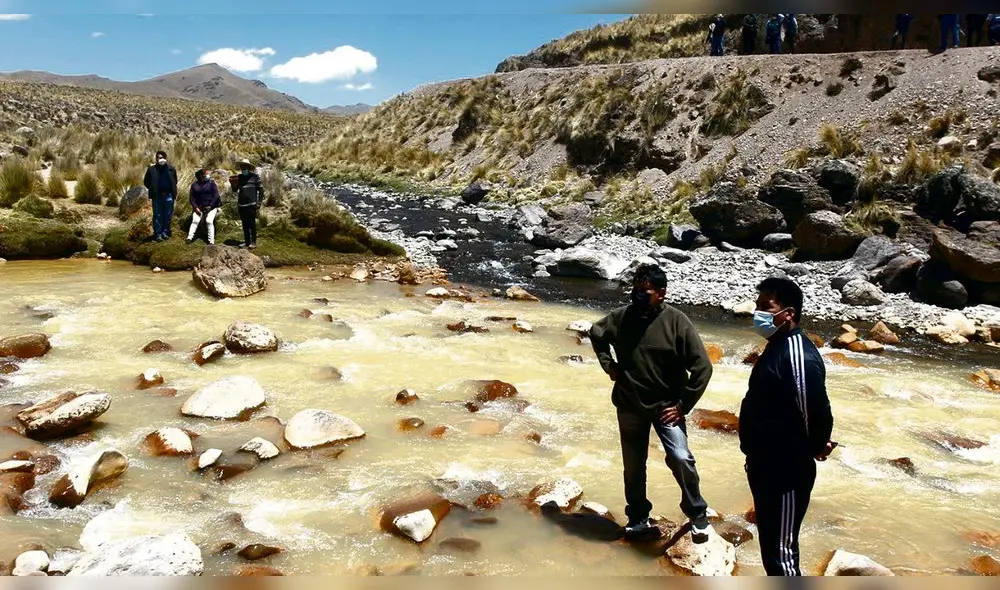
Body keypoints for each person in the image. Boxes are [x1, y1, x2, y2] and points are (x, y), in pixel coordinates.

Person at [590, 264, 715, 544]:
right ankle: (637, 517)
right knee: (634, 465)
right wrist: (609, 365)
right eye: (635, 290)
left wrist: (683, 405)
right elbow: (596, 334)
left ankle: (697, 514)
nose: (637, 296)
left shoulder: (676, 322)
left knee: (681, 458)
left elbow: (702, 368)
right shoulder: (622, 318)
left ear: (661, 293)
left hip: (667, 407)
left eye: (643, 291)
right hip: (629, 403)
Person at [739, 277, 835, 576]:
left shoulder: (797, 354)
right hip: (765, 463)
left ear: (789, 313)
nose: (759, 314)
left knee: (781, 555)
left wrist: (817, 445)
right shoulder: (777, 346)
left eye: (766, 308)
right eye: (757, 307)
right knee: (772, 548)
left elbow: (816, 409)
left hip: (786, 471)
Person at [142, 150, 178, 242]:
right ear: (156, 159)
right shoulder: (152, 169)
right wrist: (152, 188)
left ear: (165, 158)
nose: (160, 159)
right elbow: (146, 182)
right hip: (157, 196)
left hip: (169, 196)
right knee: (157, 215)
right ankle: (157, 234)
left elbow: (175, 181)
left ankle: (165, 232)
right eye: (159, 157)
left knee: (167, 215)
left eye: (162, 157)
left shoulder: (171, 169)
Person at [231, 158, 264, 250]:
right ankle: (247, 242)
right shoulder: (239, 177)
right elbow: (235, 190)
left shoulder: (255, 177)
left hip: (251, 205)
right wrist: (232, 183)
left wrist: (259, 203)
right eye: (242, 167)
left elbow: (261, 190)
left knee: (252, 224)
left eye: (245, 167)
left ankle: (253, 242)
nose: (243, 169)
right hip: (241, 205)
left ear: (248, 168)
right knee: (244, 224)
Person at [186, 168, 222, 245]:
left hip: (211, 207)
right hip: (199, 207)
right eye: (205, 174)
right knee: (195, 221)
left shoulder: (211, 183)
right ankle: (189, 238)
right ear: (201, 176)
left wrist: (211, 205)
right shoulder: (194, 185)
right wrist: (195, 207)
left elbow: (216, 195)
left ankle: (211, 241)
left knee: (209, 221)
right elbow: (191, 198)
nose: (207, 175)